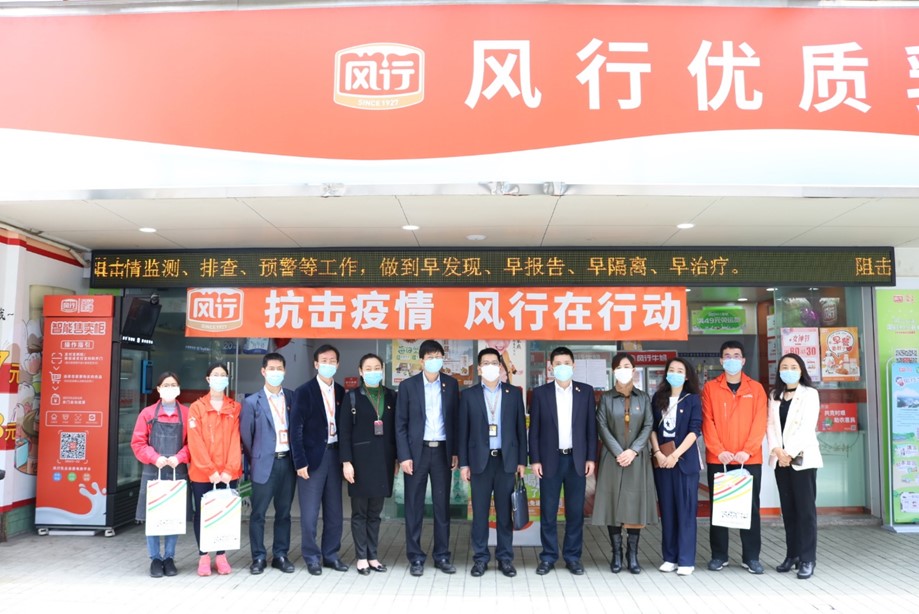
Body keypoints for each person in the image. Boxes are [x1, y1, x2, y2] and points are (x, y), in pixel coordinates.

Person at [528, 346, 597, 576]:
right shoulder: (541, 393)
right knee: (548, 512)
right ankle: (548, 557)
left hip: (577, 460)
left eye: (566, 363)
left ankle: (572, 557)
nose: (562, 367)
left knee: (575, 513)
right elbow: (534, 431)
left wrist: (591, 457)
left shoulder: (585, 392)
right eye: (558, 364)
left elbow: (591, 428)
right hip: (550, 460)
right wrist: (535, 459)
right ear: (551, 367)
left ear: (573, 365)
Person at [459, 348, 527, 578]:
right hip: (479, 463)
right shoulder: (468, 395)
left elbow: (520, 429)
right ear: (479, 369)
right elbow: (463, 432)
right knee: (480, 514)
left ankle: (505, 558)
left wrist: (522, 461)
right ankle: (480, 558)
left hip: (506, 462)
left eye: (494, 363)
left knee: (504, 514)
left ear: (500, 367)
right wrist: (464, 464)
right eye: (485, 363)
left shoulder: (513, 393)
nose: (490, 366)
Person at [701, 340, 768, 574]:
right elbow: (707, 421)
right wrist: (718, 450)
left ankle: (751, 557)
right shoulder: (710, 388)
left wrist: (747, 450)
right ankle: (719, 556)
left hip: (749, 460)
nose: (732, 360)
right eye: (727, 356)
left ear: (743, 360)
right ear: (721, 361)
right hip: (719, 459)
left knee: (751, 509)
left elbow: (760, 422)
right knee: (719, 508)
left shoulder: (756, 389)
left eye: (736, 355)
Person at [395, 339, 460, 577]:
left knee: (442, 507)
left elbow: (455, 421)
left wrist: (455, 452)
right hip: (417, 454)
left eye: (438, 357)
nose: (435, 361)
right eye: (430, 357)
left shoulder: (451, 384)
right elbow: (400, 424)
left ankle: (442, 555)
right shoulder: (408, 386)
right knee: (414, 506)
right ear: (421, 361)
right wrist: (404, 456)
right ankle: (415, 557)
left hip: (442, 452)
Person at [592, 352, 657, 575]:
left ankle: (633, 555)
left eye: (627, 366)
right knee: (613, 503)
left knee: (635, 503)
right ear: (613, 371)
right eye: (619, 367)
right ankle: (616, 554)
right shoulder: (606, 398)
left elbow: (648, 425)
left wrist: (633, 450)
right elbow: (601, 426)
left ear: (634, 370)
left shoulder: (643, 397)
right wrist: (619, 452)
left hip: (637, 459)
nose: (623, 370)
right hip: (612, 458)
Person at [290, 344, 348, 575]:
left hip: (335, 455)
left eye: (332, 361)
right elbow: (296, 429)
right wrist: (300, 461)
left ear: (338, 364)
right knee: (310, 513)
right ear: (316, 364)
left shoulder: (342, 392)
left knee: (335, 511)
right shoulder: (304, 391)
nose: (328, 364)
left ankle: (331, 555)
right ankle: (312, 557)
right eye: (324, 361)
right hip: (312, 459)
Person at [339, 353, 398, 575]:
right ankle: (361, 557)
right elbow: (344, 432)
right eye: (368, 368)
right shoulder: (352, 397)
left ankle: (373, 556)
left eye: (377, 368)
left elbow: (396, 431)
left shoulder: (391, 396)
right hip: (359, 463)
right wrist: (346, 462)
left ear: (382, 370)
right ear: (361, 371)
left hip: (383, 461)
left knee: (375, 513)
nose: (373, 372)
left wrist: (396, 459)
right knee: (360, 513)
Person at [767, 353, 823, 580]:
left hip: (802, 460)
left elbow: (807, 427)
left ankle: (808, 558)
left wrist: (788, 453)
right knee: (789, 511)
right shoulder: (775, 395)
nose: (788, 370)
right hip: (780, 460)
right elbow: (770, 425)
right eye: (784, 367)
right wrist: (777, 450)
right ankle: (793, 555)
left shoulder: (810, 394)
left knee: (805, 511)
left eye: (793, 366)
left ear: (801, 371)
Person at [239, 352, 296, 575]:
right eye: (271, 369)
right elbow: (246, 437)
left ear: (285, 371)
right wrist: (259, 456)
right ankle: (258, 557)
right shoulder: (251, 402)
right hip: (264, 465)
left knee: (284, 512)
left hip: (287, 463)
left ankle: (280, 555)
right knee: (258, 514)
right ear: (263, 371)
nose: (275, 372)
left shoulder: (291, 398)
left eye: (279, 368)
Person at [131, 372, 189, 578]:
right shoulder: (147, 414)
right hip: (152, 470)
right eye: (166, 385)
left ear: (179, 388)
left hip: (177, 471)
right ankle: (155, 558)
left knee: (173, 516)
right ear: (158, 389)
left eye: (173, 385)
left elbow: (193, 444)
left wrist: (180, 457)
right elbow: (138, 443)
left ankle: (169, 557)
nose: (170, 388)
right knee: (153, 516)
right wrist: (154, 457)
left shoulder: (187, 414)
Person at [187, 362, 242, 577]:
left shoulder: (234, 407)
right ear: (208, 379)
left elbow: (236, 440)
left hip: (228, 474)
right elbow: (195, 441)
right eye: (215, 374)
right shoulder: (197, 407)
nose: (219, 378)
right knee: (202, 514)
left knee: (224, 513)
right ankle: (203, 555)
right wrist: (210, 470)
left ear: (228, 379)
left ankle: (221, 556)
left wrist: (229, 469)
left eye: (223, 375)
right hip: (203, 474)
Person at [650, 358, 703, 576]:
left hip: (684, 463)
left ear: (687, 375)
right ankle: (670, 557)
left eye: (679, 370)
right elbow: (652, 429)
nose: (675, 373)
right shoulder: (658, 398)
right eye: (671, 370)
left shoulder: (693, 399)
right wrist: (658, 453)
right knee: (668, 511)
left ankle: (686, 560)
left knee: (686, 511)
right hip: (662, 463)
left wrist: (675, 455)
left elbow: (695, 431)